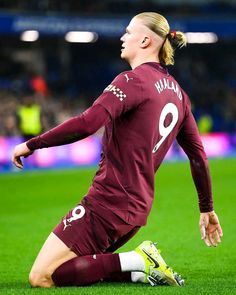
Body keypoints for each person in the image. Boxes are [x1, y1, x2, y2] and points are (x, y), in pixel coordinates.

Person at [12, 12, 223, 288]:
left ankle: (138, 260)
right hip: (136, 209)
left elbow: (88, 123)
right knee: (77, 268)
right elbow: (198, 156)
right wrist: (206, 208)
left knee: (42, 276)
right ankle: (137, 270)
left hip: (108, 202)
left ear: (146, 40)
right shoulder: (179, 95)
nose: (123, 37)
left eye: (128, 31)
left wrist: (32, 144)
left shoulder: (132, 81)